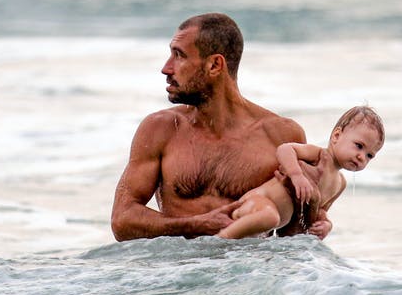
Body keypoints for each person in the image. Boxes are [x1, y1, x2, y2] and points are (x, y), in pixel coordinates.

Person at [111, 13, 333, 240]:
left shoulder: (282, 137)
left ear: (215, 65)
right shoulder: (160, 130)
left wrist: (311, 218)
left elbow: (291, 240)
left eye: (179, 55)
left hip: (249, 272)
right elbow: (122, 221)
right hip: (178, 269)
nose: (166, 68)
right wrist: (196, 225)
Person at [217, 106, 384, 239]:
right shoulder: (319, 155)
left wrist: (326, 225)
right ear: (336, 136)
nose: (361, 157)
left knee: (266, 235)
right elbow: (285, 149)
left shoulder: (340, 183)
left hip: (265, 227)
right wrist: (296, 175)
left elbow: (321, 210)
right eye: (359, 146)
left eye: (370, 155)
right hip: (257, 204)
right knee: (270, 217)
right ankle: (220, 240)